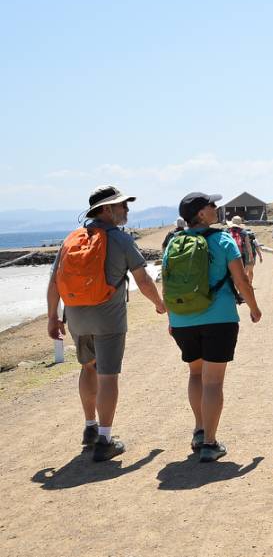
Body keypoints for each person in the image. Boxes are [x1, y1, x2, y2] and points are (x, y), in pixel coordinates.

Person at [46, 185, 166, 462]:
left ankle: (89, 428)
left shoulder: (71, 240)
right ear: (106, 210)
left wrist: (53, 316)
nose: (126, 210)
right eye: (122, 205)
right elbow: (143, 280)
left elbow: (54, 283)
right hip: (108, 319)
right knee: (108, 374)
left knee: (88, 368)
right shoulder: (120, 240)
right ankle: (105, 438)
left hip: (76, 316)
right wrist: (159, 304)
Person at [163, 192, 262, 462]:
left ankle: (198, 429)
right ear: (202, 214)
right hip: (219, 319)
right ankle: (209, 443)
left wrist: (171, 319)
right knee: (213, 381)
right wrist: (254, 308)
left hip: (183, 320)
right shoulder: (223, 239)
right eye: (211, 205)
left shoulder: (173, 243)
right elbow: (241, 280)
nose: (217, 208)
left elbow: (167, 285)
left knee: (196, 374)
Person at [227, 215, 262, 285]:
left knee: (231, 273)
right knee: (241, 273)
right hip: (240, 255)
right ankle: (240, 290)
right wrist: (251, 256)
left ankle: (232, 289)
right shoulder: (243, 232)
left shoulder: (227, 231)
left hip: (229, 255)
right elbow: (248, 246)